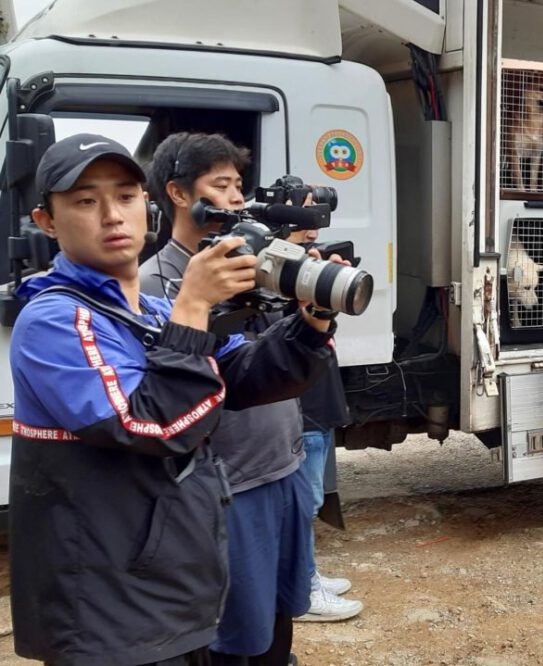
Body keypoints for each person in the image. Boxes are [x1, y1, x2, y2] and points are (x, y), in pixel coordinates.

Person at [9, 134, 335, 665]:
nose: (112, 216)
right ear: (47, 221)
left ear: (148, 206)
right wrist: (195, 306)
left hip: (170, 591)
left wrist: (311, 319)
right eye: (86, 201)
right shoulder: (54, 320)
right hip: (108, 611)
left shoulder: (153, 312)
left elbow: (244, 374)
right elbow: (149, 424)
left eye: (126, 196)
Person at [139, 132, 360, 664]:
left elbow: (275, 366)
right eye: (221, 185)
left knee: (279, 628)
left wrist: (314, 309)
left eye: (239, 185)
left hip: (280, 470)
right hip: (228, 488)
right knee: (235, 638)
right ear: (177, 193)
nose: (237, 198)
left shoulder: (259, 265)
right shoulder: (156, 284)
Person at [286, 225, 365, 622]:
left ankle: (308, 573)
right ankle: (303, 590)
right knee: (304, 503)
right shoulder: (282, 272)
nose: (314, 221)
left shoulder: (304, 265)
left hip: (318, 405)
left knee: (310, 500)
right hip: (306, 410)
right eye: (303, 209)